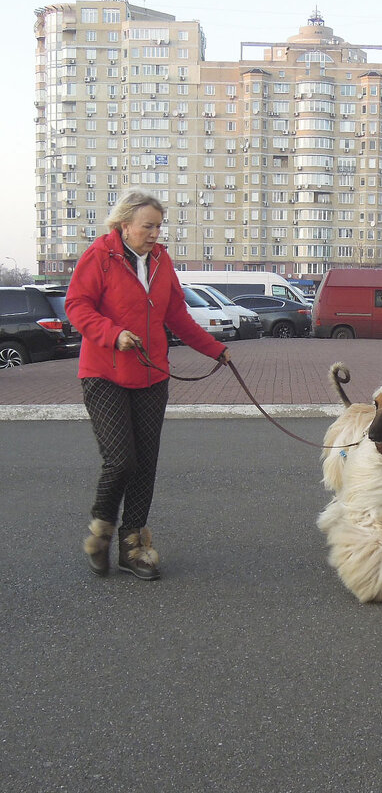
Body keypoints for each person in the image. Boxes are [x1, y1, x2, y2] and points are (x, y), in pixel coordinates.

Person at [65, 188, 231, 581]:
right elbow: (77, 305)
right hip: (104, 373)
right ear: (124, 225)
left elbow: (177, 315)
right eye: (148, 226)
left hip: (152, 375)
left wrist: (216, 350)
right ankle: (100, 532)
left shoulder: (161, 261)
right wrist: (112, 333)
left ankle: (133, 546)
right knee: (121, 459)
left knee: (145, 464)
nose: (155, 233)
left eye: (158, 225)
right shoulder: (99, 256)